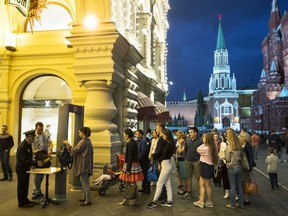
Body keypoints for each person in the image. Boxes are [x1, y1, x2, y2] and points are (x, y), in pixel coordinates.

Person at [63, 126, 94, 206]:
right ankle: (84, 197)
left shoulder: (83, 142)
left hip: (83, 165)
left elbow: (74, 151)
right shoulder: (88, 141)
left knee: (85, 183)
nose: (79, 133)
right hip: (87, 164)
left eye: (79, 132)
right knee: (83, 182)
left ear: (83, 133)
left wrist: (67, 144)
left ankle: (88, 200)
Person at [147, 129, 175, 208]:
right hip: (167, 164)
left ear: (167, 135)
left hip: (165, 164)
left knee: (159, 184)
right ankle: (169, 201)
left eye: (163, 136)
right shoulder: (170, 143)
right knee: (167, 184)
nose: (162, 137)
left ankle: (154, 201)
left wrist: (157, 159)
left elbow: (163, 155)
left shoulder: (168, 144)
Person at [118, 128, 144, 206]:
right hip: (133, 164)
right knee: (132, 183)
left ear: (127, 135)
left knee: (130, 183)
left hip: (130, 165)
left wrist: (128, 169)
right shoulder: (134, 142)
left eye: (124, 134)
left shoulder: (130, 144)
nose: (123, 136)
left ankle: (127, 199)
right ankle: (134, 199)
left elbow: (130, 157)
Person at [193, 132, 219, 208]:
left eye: (204, 138)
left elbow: (197, 149)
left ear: (207, 140)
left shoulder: (206, 148)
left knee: (206, 185)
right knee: (202, 184)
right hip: (207, 166)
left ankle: (208, 201)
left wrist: (205, 143)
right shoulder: (212, 147)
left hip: (205, 166)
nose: (202, 139)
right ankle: (201, 200)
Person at [31, 122, 53, 199]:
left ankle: (37, 191)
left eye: (41, 130)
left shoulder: (46, 135)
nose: (40, 131)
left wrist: (50, 150)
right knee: (36, 175)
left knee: (42, 174)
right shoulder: (32, 136)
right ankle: (36, 191)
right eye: (39, 130)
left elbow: (50, 143)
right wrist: (33, 151)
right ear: (36, 128)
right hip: (35, 158)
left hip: (44, 157)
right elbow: (29, 145)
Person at [224, 129, 244, 210]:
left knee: (232, 186)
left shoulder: (229, 147)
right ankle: (241, 204)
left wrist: (224, 156)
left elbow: (228, 159)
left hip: (231, 167)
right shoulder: (239, 146)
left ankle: (232, 204)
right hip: (238, 167)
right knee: (239, 186)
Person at [16, 129, 36, 208]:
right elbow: (24, 160)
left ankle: (25, 199)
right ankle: (21, 202)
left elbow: (28, 157)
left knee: (25, 184)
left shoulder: (28, 144)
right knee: (22, 185)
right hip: (21, 168)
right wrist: (33, 163)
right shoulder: (23, 146)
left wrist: (31, 164)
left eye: (33, 136)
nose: (33, 138)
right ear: (27, 136)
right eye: (32, 137)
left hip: (25, 167)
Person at [182, 127, 202, 200]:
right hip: (188, 161)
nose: (189, 133)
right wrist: (185, 158)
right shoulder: (187, 140)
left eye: (191, 132)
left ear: (195, 133)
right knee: (188, 177)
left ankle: (200, 193)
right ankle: (188, 191)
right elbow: (185, 150)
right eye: (189, 132)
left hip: (197, 161)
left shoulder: (200, 141)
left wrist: (200, 160)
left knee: (198, 178)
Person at [240, 131, 256, 205]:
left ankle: (247, 199)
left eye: (241, 136)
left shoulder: (248, 146)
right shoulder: (242, 145)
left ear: (244, 138)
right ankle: (245, 198)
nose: (239, 137)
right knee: (243, 182)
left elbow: (251, 158)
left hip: (246, 168)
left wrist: (250, 168)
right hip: (243, 167)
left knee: (246, 183)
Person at [136, 129, 150, 194]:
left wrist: (138, 159)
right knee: (142, 174)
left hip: (144, 161)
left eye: (137, 134)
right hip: (140, 161)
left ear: (141, 134)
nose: (136, 135)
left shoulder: (143, 141)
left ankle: (147, 188)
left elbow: (143, 151)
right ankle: (143, 187)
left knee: (145, 174)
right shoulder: (138, 141)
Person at [175, 130, 186, 195]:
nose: (177, 136)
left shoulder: (182, 141)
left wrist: (180, 144)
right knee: (179, 172)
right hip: (178, 158)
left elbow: (180, 151)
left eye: (179, 135)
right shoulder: (178, 140)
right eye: (177, 135)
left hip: (182, 158)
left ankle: (185, 189)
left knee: (183, 174)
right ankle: (181, 185)